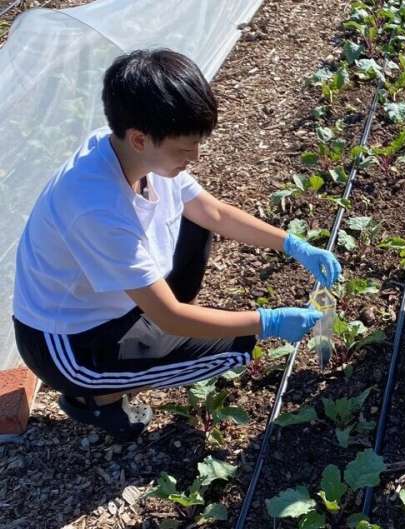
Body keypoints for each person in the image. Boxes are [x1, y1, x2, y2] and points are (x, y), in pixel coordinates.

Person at [12, 49, 341, 440]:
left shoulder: (128, 151)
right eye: (185, 149)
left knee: (195, 221)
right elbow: (168, 315)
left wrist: (293, 244)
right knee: (235, 344)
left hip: (113, 301)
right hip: (71, 344)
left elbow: (213, 213)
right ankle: (98, 399)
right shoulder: (95, 207)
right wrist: (267, 321)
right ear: (139, 138)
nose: (195, 157)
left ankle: (130, 361)